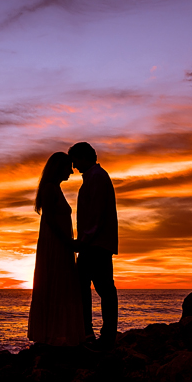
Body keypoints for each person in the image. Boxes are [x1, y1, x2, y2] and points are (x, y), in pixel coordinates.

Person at [27, 152, 86, 346]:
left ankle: (56, 335)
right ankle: (50, 336)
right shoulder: (50, 189)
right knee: (56, 284)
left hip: (60, 244)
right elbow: (51, 221)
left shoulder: (55, 189)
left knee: (61, 286)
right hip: (56, 245)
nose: (71, 171)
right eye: (68, 167)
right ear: (58, 168)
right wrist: (69, 242)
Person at [68, 142, 119, 348]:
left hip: (95, 244)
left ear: (83, 157)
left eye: (75, 161)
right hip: (96, 243)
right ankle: (96, 333)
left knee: (95, 288)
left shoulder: (96, 177)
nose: (74, 166)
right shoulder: (94, 177)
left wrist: (84, 240)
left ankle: (98, 334)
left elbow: (96, 214)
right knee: (97, 288)